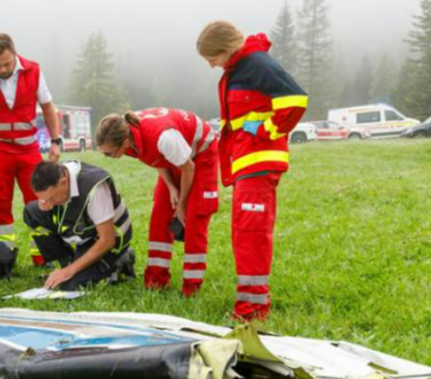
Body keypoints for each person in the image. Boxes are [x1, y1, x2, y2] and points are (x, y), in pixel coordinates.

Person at [197, 21, 307, 321]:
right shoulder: (239, 68)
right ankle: (251, 304)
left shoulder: (256, 63)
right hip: (246, 162)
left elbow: (296, 100)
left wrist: (266, 129)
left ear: (226, 49)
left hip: (259, 161)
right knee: (244, 232)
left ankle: (253, 310)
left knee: (251, 233)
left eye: (212, 58)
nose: (211, 65)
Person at [94, 108, 219, 297]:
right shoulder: (130, 135)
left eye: (110, 154)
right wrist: (170, 187)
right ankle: (155, 281)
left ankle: (191, 287)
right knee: (160, 215)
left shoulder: (163, 138)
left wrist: (182, 205)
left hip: (200, 155)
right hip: (177, 157)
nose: (109, 158)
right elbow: (155, 158)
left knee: (193, 219)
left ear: (125, 143)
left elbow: (188, 168)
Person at [0, 33, 62, 264]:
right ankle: (3, 257)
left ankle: (42, 255)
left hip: (28, 151)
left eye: (7, 63)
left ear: (14, 55)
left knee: (40, 200)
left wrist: (55, 141)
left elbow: (47, 107)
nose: (2, 69)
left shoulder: (33, 71)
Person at [23, 162, 135, 291]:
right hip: (86, 234)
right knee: (33, 211)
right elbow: (49, 203)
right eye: (44, 199)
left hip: (109, 240)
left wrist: (71, 271)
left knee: (71, 285)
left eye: (51, 198)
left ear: (63, 182)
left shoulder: (95, 188)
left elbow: (107, 240)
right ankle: (66, 264)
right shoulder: (58, 175)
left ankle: (120, 260)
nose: (48, 203)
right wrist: (44, 203)